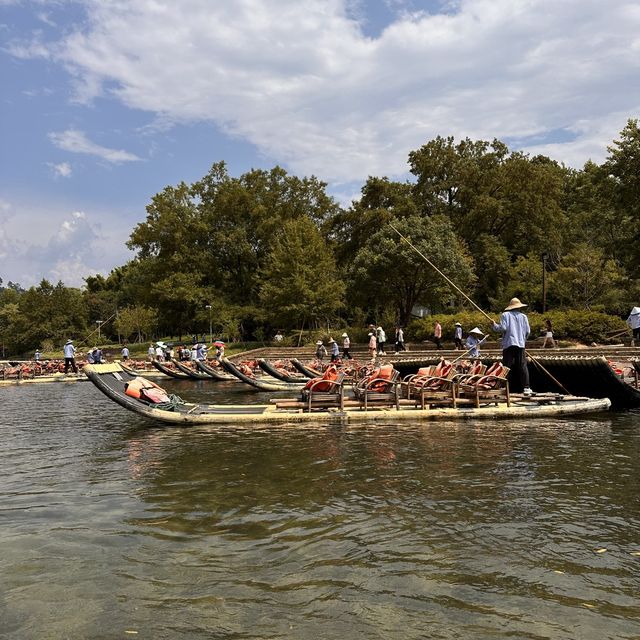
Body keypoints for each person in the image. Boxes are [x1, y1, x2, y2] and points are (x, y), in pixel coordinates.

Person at [492, 297, 532, 395]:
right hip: (520, 345)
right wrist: (522, 340)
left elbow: (503, 328)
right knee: (522, 366)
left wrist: (494, 325)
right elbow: (528, 331)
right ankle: (526, 388)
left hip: (508, 344)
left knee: (507, 367)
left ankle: (505, 388)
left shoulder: (505, 315)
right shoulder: (524, 317)